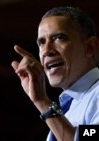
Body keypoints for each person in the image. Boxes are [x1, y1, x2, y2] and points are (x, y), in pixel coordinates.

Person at [11, 6, 99, 141]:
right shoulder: (66, 107)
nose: (46, 50)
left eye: (59, 38)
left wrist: (42, 102)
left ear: (90, 47)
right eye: (41, 42)